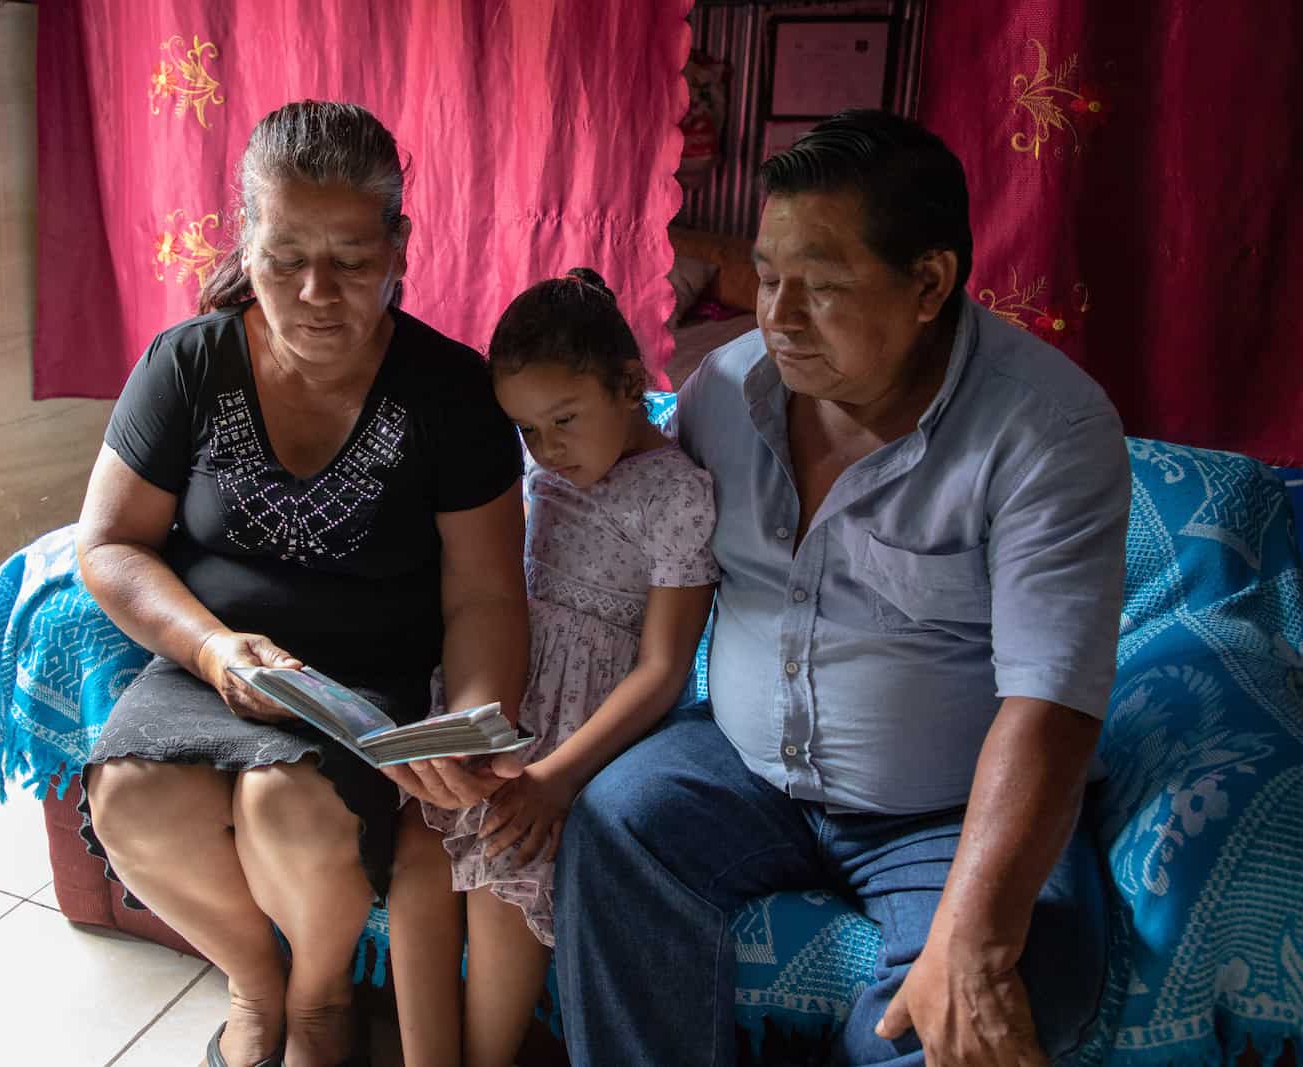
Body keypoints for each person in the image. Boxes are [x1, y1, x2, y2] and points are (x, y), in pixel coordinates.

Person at [553, 109, 1131, 1066]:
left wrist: (976, 938)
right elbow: (630, 564)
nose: (776, 314)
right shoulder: (721, 394)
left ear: (929, 284)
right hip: (741, 764)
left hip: (945, 803)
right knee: (616, 825)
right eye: (768, 277)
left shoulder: (1048, 432)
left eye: (819, 287)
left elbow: (1053, 698)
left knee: (980, 1010)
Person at [74, 101, 529, 1067]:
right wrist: (208, 645)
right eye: (285, 259)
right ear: (248, 238)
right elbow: (109, 546)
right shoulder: (188, 364)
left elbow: (486, 594)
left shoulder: (451, 392)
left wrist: (474, 721)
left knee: (288, 804)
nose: (317, 292)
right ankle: (254, 979)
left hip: (364, 688)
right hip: (213, 663)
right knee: (126, 796)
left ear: (399, 244)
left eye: (353, 261)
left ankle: (320, 1001)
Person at [388, 269, 721, 1067]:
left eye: (564, 420)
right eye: (528, 430)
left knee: (508, 869)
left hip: (582, 726)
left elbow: (665, 666)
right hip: (506, 685)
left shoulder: (675, 495)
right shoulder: (542, 466)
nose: (547, 449)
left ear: (630, 385)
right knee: (419, 849)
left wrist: (559, 778)